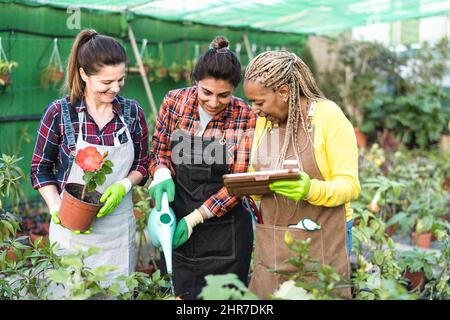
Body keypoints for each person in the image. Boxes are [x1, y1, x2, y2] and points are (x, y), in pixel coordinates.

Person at [30, 29, 150, 283]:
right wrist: (55, 206)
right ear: (84, 74)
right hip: (70, 233)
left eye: (120, 79)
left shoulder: (132, 112)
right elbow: (40, 168)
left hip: (117, 232)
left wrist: (124, 185)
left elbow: (142, 163)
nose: (115, 88)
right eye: (106, 82)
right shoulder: (61, 113)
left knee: (116, 290)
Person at [243, 50, 360, 299]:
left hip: (323, 237)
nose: (254, 110)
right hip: (273, 236)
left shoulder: (329, 117)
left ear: (284, 92)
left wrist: (310, 190)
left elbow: (350, 186)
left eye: (259, 102)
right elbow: (257, 169)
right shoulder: (266, 121)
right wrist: (248, 185)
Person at [148, 36, 256, 300]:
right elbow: (159, 151)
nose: (214, 102)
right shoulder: (174, 102)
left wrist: (196, 218)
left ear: (234, 90)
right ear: (195, 81)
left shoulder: (245, 115)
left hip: (225, 233)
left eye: (224, 95)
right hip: (176, 228)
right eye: (206, 92)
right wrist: (161, 172)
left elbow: (238, 182)